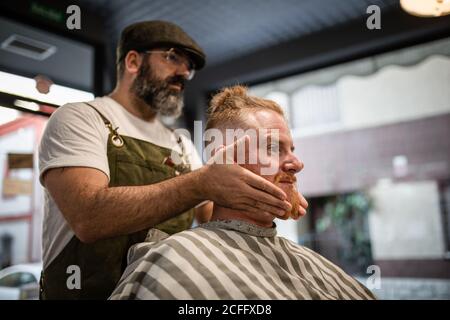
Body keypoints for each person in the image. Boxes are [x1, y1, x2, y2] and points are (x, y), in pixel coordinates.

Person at [38, 21, 308, 300]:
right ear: (133, 61)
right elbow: (88, 217)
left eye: (188, 65)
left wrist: (272, 183)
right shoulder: (80, 118)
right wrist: (201, 183)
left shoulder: (180, 143)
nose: (184, 73)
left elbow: (214, 217)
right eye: (172, 57)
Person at [109, 86, 376, 300]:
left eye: (291, 149)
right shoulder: (172, 259)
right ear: (223, 158)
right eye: (272, 147)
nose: (297, 163)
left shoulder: (315, 265)